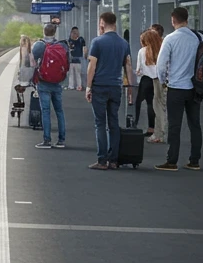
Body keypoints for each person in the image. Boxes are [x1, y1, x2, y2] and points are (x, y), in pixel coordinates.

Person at [85, 12, 136, 170]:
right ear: (115, 23)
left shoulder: (97, 42)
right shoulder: (123, 43)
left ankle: (102, 161)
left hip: (99, 86)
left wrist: (88, 86)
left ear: (102, 23)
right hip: (116, 87)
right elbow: (128, 66)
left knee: (100, 123)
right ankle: (114, 160)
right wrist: (130, 88)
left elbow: (92, 66)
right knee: (113, 123)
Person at [155, 7, 202, 171]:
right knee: (194, 124)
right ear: (187, 19)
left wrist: (163, 81)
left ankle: (172, 161)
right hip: (194, 88)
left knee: (174, 125)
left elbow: (161, 65)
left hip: (176, 88)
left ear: (173, 20)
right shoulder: (196, 38)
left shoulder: (170, 39)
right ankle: (194, 160)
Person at [31, 23, 67, 148]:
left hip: (43, 82)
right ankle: (61, 141)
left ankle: (47, 140)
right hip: (57, 83)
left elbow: (32, 62)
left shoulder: (39, 45)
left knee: (45, 111)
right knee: (59, 111)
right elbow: (68, 62)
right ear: (55, 32)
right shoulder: (62, 45)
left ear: (44, 32)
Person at [134, 29, 166, 141]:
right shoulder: (161, 50)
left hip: (146, 80)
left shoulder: (142, 51)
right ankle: (157, 130)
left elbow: (139, 70)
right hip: (159, 81)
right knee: (158, 106)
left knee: (139, 103)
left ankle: (135, 125)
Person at [66, 26, 86, 91]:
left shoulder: (81, 40)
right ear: (71, 33)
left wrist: (85, 55)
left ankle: (79, 86)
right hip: (71, 60)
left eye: (76, 33)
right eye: (74, 33)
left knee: (78, 74)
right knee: (71, 74)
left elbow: (84, 48)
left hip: (79, 60)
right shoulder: (69, 41)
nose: (75, 34)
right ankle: (71, 86)